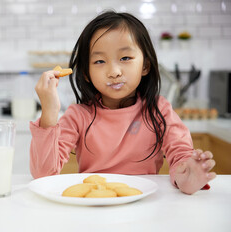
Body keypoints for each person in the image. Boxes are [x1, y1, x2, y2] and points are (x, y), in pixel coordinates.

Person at [29, 10, 216, 194]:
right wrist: (49, 112)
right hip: (93, 206)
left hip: (143, 206)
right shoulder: (78, 115)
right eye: (100, 61)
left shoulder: (159, 109)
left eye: (125, 58)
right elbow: (43, 174)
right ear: (86, 73)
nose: (114, 71)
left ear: (145, 65)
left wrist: (186, 176)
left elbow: (180, 153)